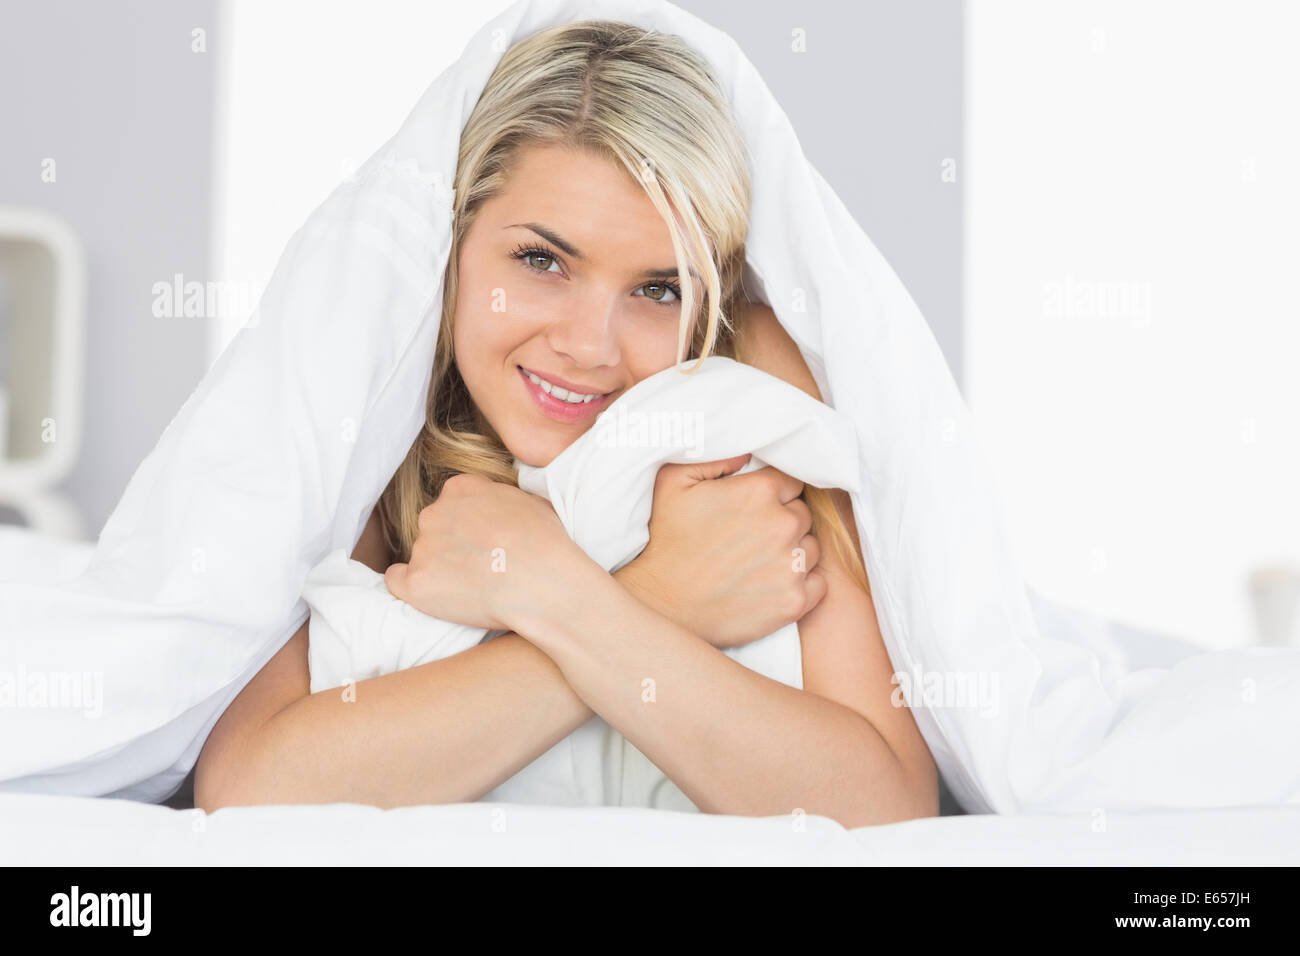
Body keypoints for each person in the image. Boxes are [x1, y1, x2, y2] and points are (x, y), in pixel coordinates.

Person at [195, 19, 938, 828]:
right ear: (452, 241)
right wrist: (656, 598)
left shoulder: (748, 382)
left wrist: (557, 597)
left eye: (658, 290)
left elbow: (884, 808)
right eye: (542, 261)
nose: (589, 346)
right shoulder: (375, 424)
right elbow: (250, 787)